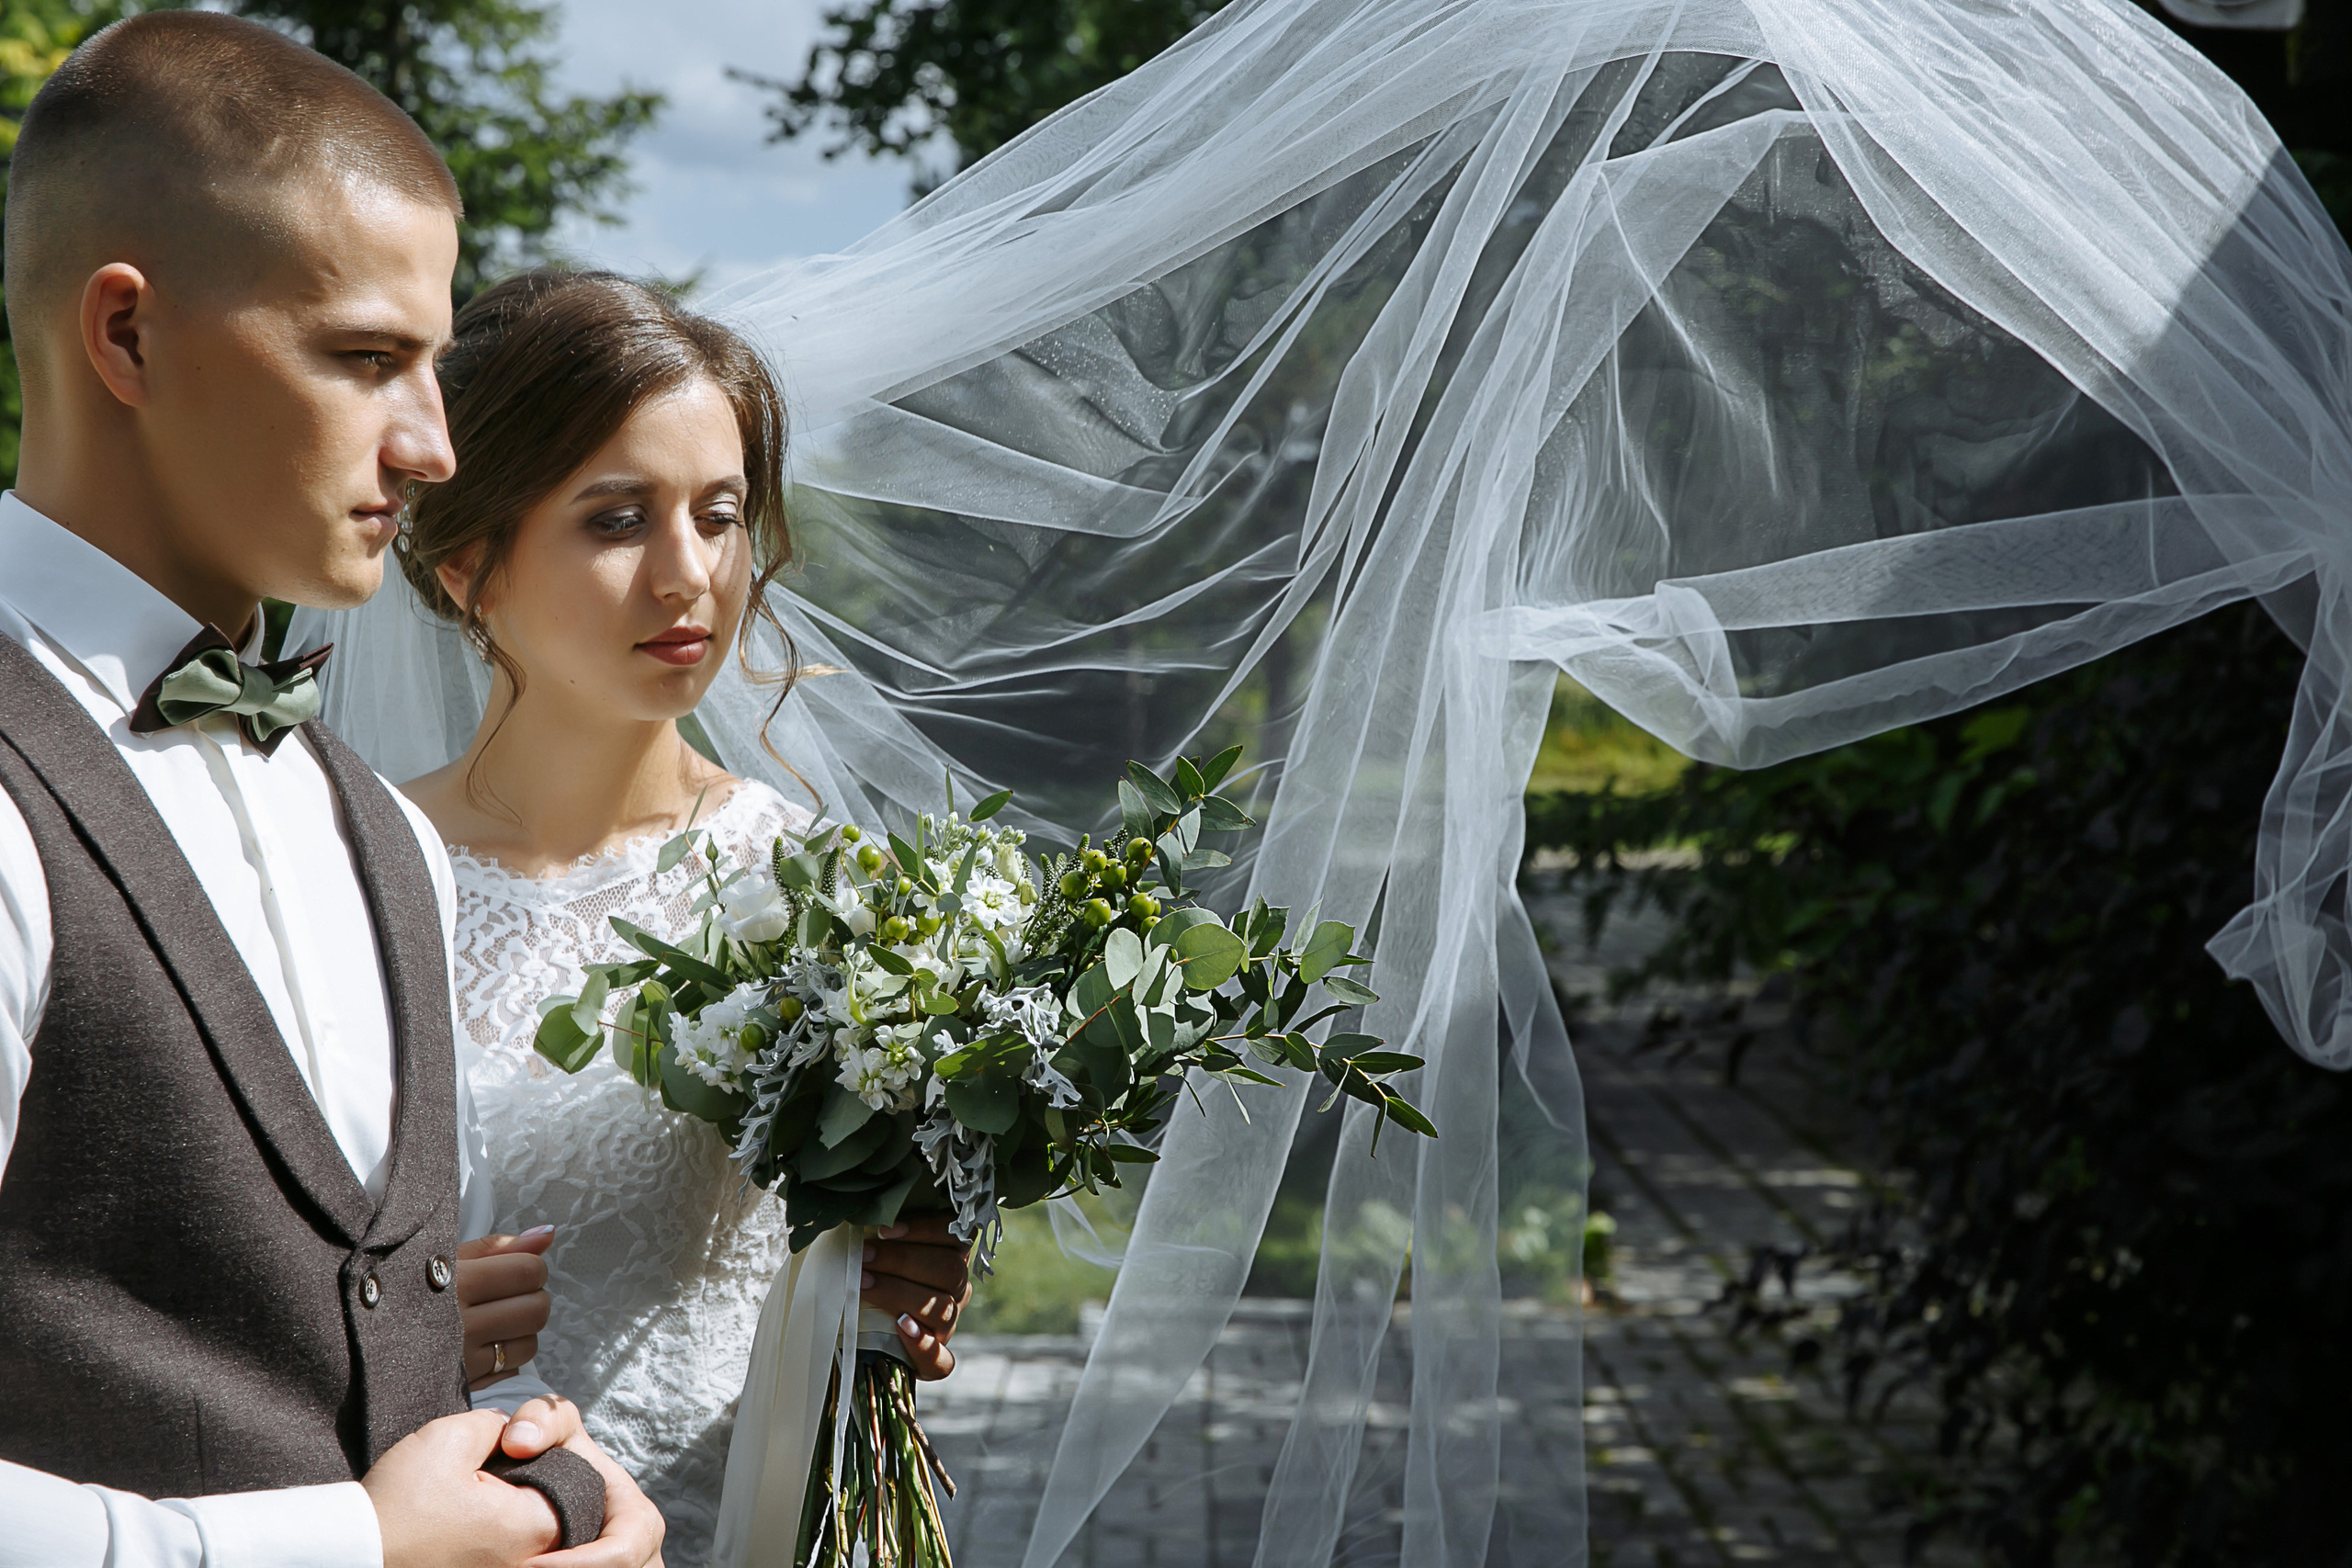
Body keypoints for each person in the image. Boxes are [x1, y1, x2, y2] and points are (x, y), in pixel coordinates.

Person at [0, 16, 663, 1568]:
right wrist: (351, 1545)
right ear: (128, 339)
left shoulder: (383, 833)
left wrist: (544, 1491)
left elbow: (373, 1338)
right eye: (369, 359)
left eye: (433, 365)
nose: (435, 445)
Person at [370, 269, 975, 1565]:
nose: (690, 574)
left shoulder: (811, 888)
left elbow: (861, 1256)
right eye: (616, 519)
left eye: (718, 514)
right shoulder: (346, 868)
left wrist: (896, 1284)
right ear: (463, 558)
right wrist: (369, 1320)